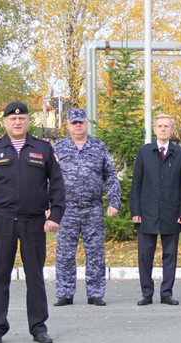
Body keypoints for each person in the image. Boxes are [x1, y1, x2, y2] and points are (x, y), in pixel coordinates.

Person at [0, 101, 65, 343]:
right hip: (2, 221)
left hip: (34, 221)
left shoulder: (43, 147)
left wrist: (55, 215)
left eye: (22, 118)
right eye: (12, 119)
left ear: (28, 121)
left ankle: (38, 327)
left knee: (34, 276)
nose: (17, 122)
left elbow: (57, 184)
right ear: (5, 121)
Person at [53, 108, 120, 307]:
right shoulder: (59, 148)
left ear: (86, 123)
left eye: (81, 122)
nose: (78, 126)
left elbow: (110, 175)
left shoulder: (98, 146)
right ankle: (64, 293)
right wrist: (49, 207)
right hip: (67, 209)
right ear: (68, 125)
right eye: (74, 123)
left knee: (95, 252)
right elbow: (49, 179)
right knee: (65, 253)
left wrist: (114, 202)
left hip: (93, 208)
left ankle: (95, 293)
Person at [130, 114, 181, 306]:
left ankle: (167, 293)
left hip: (171, 213)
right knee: (145, 255)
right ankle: (146, 293)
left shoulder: (180, 153)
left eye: (166, 126)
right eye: (160, 126)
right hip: (147, 213)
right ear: (154, 129)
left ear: (172, 130)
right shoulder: (144, 152)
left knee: (170, 255)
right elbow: (137, 183)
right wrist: (135, 210)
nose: (163, 129)